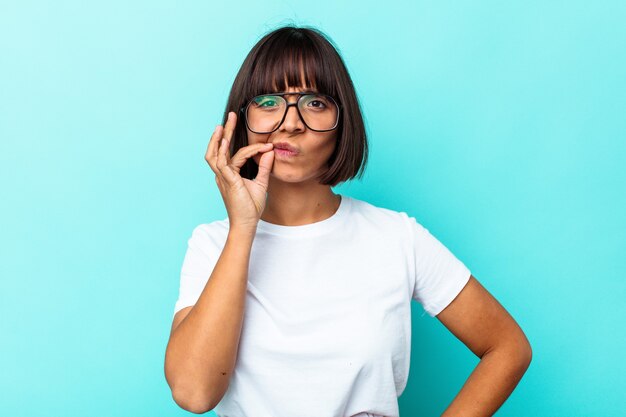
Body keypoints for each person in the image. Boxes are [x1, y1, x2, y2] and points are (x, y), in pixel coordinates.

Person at [164, 25, 532, 417]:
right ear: (242, 119)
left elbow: (508, 347)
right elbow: (194, 393)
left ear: (343, 124)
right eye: (270, 101)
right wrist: (242, 229)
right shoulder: (211, 243)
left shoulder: (396, 237)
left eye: (315, 103)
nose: (291, 123)